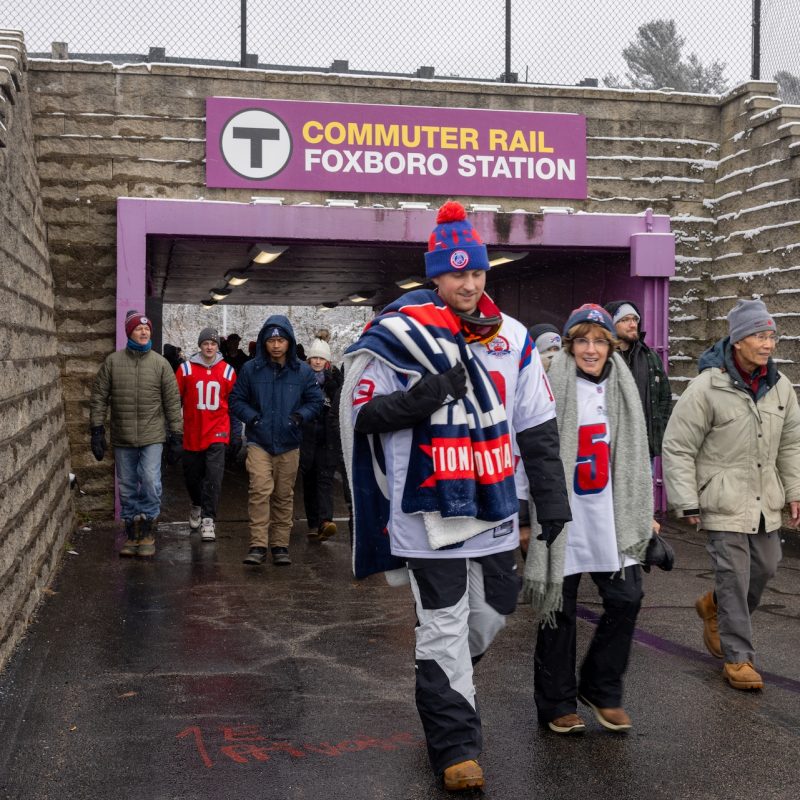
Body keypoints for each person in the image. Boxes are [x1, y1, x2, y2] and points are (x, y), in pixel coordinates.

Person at [340, 201, 571, 792]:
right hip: (427, 507)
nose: (468, 283)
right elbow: (364, 415)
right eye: (455, 273)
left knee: (495, 610)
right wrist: (428, 395)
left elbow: (538, 425)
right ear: (436, 276)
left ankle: (440, 681)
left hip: (493, 504)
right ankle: (455, 745)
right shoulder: (398, 335)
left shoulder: (513, 338)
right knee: (443, 624)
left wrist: (551, 498)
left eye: (476, 273)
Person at [523, 303, 655, 735]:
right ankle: (557, 702)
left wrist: (643, 512)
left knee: (627, 597)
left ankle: (601, 687)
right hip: (562, 517)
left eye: (600, 341)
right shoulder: (547, 384)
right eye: (583, 340)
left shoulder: (623, 387)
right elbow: (525, 452)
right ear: (570, 344)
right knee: (557, 609)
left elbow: (635, 454)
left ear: (611, 345)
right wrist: (527, 516)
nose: (592, 349)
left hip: (610, 514)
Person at [662, 298, 800, 691]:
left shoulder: (781, 387)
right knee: (734, 576)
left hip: (764, 502)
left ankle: (715, 607)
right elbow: (678, 445)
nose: (768, 343)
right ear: (738, 340)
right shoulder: (707, 386)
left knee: (768, 566)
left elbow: (792, 443)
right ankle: (739, 658)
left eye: (771, 335)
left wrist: (795, 490)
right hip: (722, 500)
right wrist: (686, 499)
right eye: (760, 335)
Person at [230, 316, 324, 567]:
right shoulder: (251, 369)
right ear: (264, 342)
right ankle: (258, 545)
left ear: (289, 342)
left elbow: (316, 401)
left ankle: (280, 545)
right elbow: (236, 400)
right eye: (271, 340)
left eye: (280, 340)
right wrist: (254, 419)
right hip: (259, 440)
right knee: (260, 491)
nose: (275, 345)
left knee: (283, 495)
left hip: (290, 442)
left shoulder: (302, 371)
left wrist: (297, 418)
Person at [89, 310, 183, 558]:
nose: (144, 332)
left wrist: (176, 435)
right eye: (139, 328)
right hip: (123, 437)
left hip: (153, 437)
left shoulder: (161, 364)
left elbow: (172, 402)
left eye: (147, 329)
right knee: (128, 487)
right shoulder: (112, 362)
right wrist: (97, 430)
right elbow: (99, 397)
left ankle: (148, 529)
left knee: (151, 482)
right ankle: (132, 532)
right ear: (129, 331)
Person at [175, 327, 239, 542]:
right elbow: (176, 400)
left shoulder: (228, 371)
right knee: (193, 478)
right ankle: (196, 504)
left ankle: (209, 519)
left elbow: (234, 404)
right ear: (200, 345)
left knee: (213, 478)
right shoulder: (185, 369)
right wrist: (174, 430)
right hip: (193, 432)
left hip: (217, 432)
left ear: (217, 347)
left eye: (213, 344)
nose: (209, 347)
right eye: (206, 343)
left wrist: (236, 433)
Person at [603, 300, 671, 460]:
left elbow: (665, 397)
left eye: (635, 319)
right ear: (611, 325)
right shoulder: (602, 357)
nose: (633, 324)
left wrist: (658, 428)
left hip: (643, 450)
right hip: (610, 450)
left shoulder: (649, 356)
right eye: (625, 320)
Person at [300, 337, 343, 541]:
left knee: (324, 480)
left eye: (321, 358)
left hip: (327, 439)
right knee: (309, 482)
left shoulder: (335, 380)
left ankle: (325, 521)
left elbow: (340, 405)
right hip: (307, 437)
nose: (317, 362)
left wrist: (333, 386)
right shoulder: (302, 379)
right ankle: (313, 523)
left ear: (327, 361)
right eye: (314, 358)